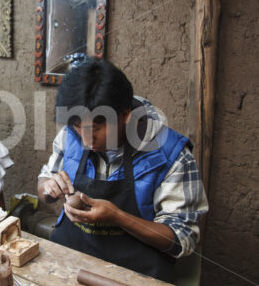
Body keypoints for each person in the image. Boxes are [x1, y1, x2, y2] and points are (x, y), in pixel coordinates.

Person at [37, 58, 208, 282]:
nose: (87, 141)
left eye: (96, 129)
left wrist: (117, 217)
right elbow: (44, 182)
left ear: (125, 114)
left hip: (134, 274)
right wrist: (48, 188)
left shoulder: (172, 155)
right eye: (78, 129)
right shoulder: (71, 136)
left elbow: (181, 238)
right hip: (70, 264)